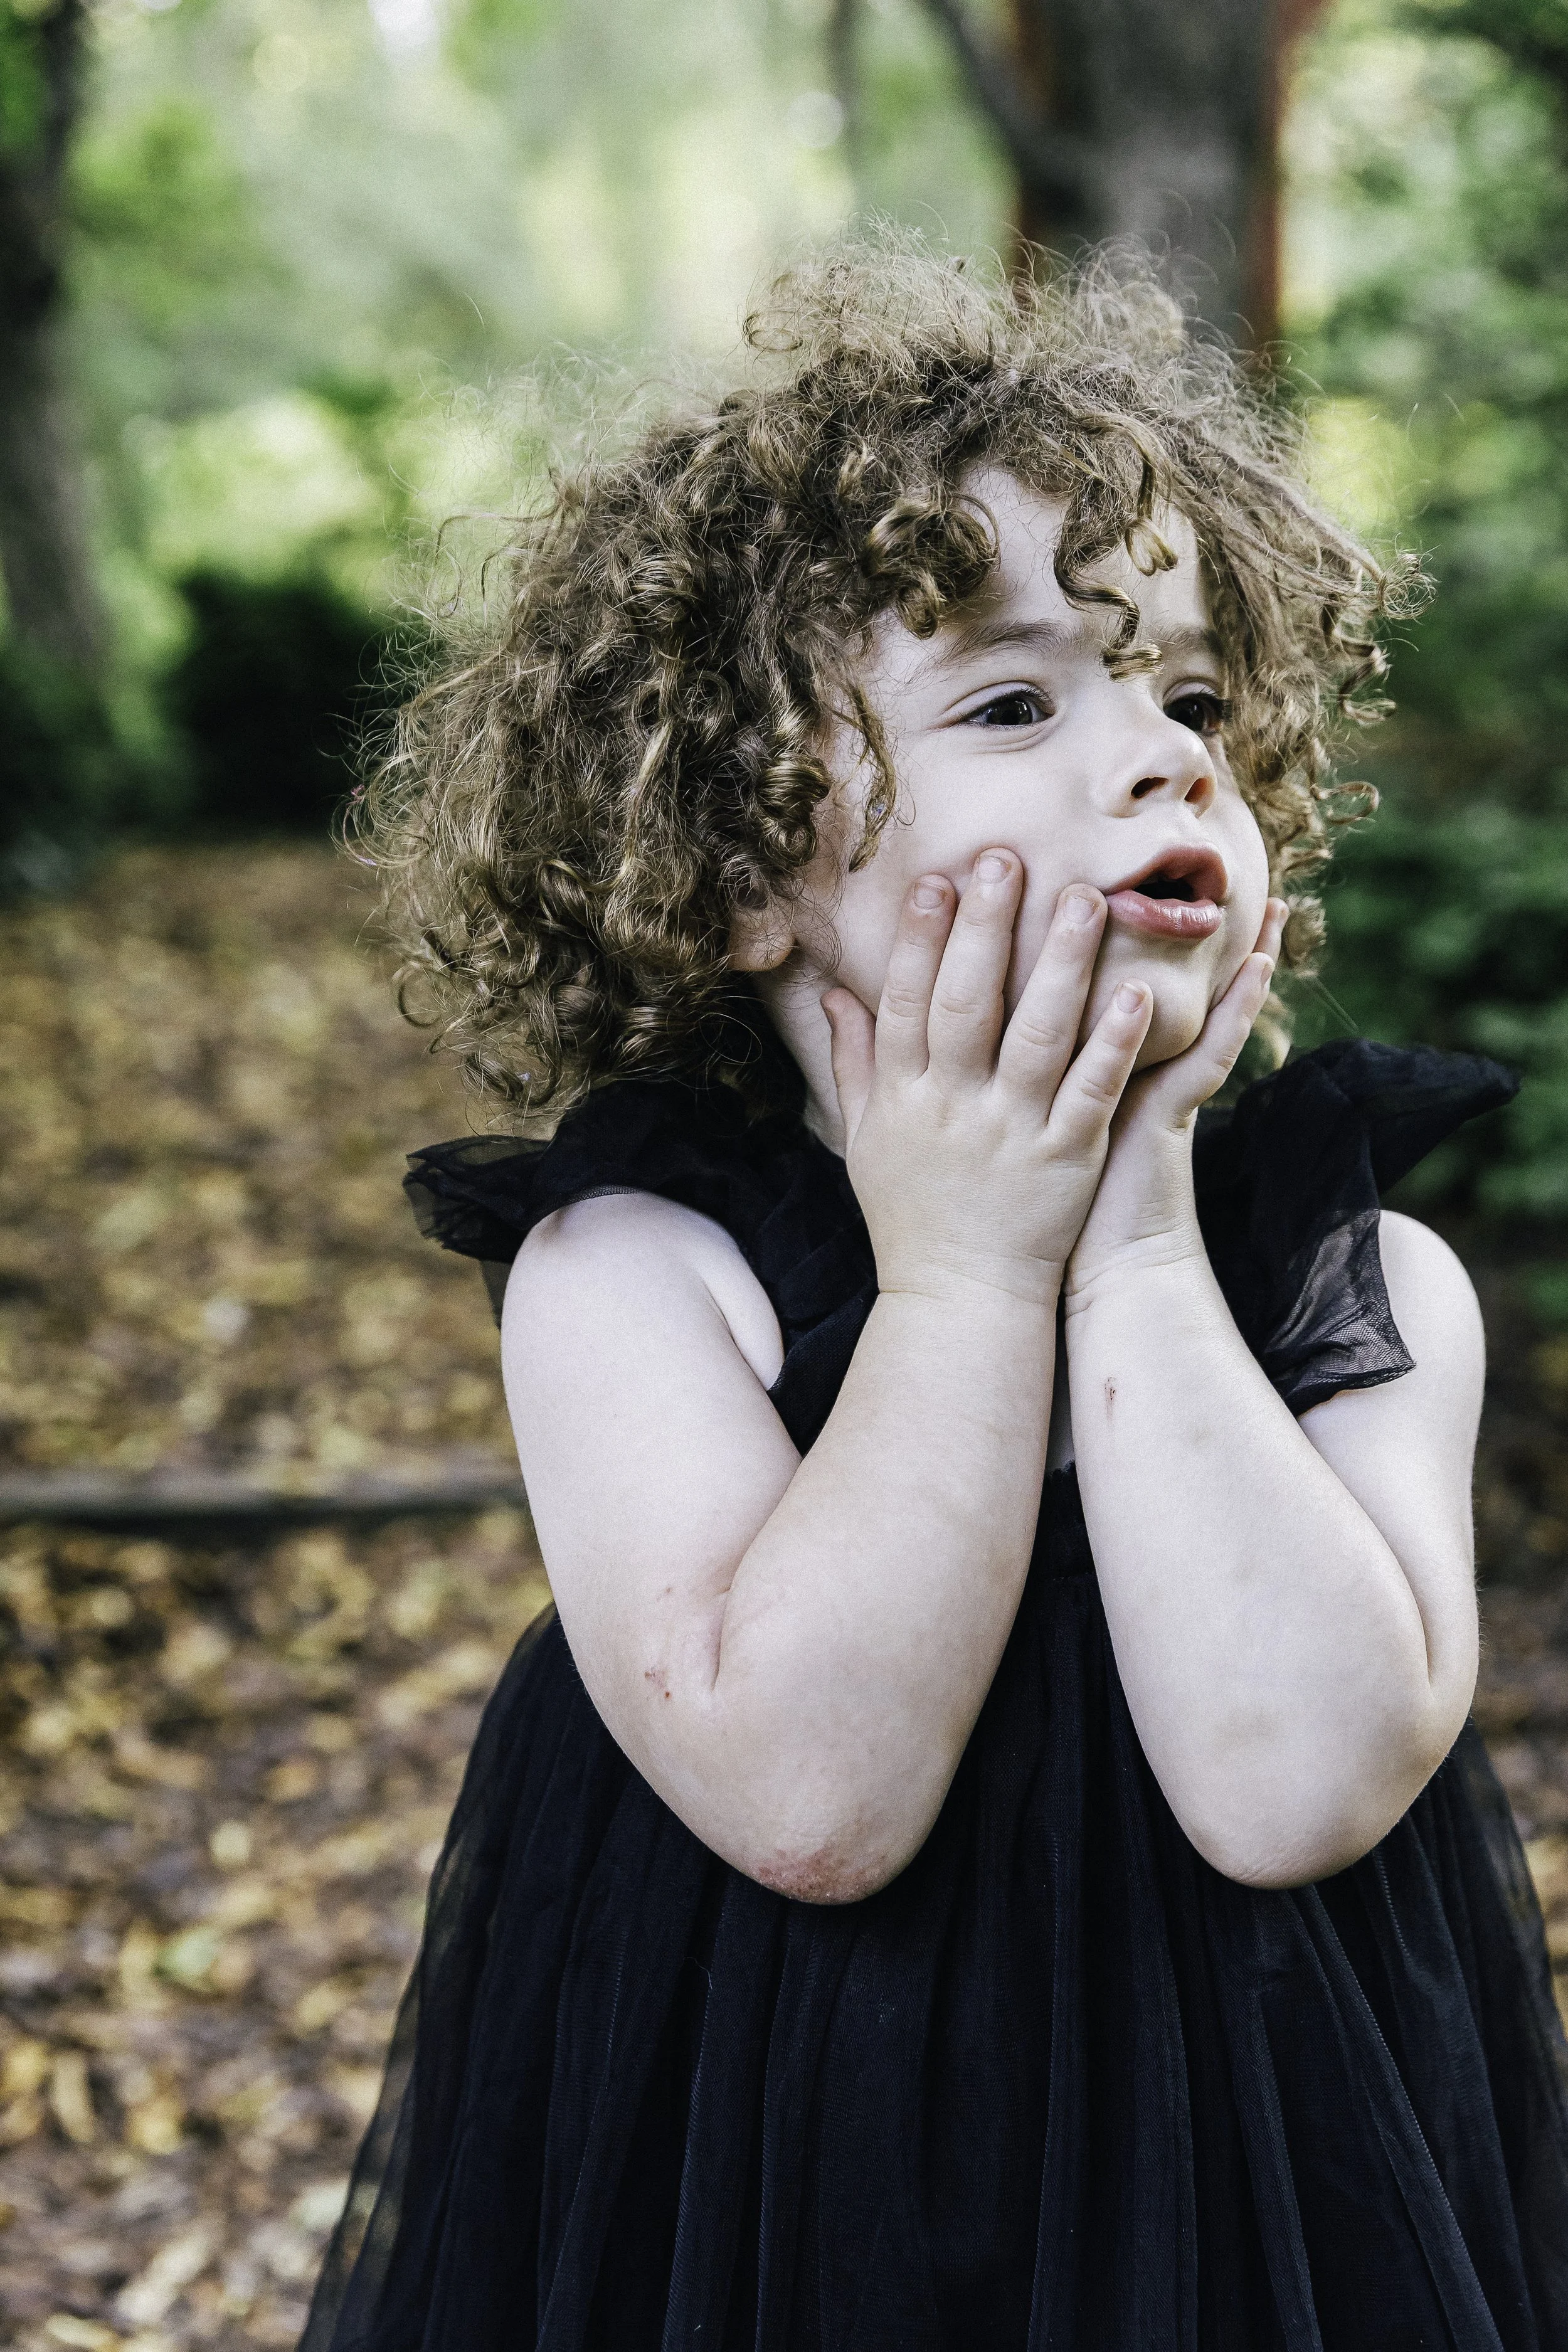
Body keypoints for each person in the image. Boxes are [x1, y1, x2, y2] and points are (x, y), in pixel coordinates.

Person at [304, 243, 1568, 2351]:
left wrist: (1137, 1228)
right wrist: (970, 1263)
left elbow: (1292, 1785)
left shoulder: (1369, 1290)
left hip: (1263, 2215)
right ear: (733, 869)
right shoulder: (635, 1277)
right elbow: (812, 1797)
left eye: (1189, 700)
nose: (1165, 762)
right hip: (784, 2195)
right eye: (1009, 701)